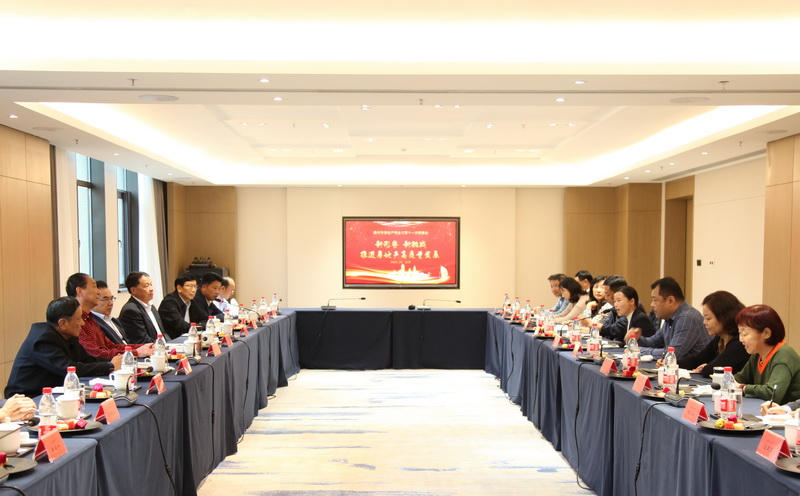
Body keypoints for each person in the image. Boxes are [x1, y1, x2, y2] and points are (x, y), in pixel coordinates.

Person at [5, 297, 121, 398]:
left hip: (53, 392)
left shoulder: (68, 334)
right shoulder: (43, 340)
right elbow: (69, 369)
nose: (82, 323)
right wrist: (109, 366)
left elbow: (87, 359)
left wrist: (112, 361)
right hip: (28, 397)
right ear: (63, 323)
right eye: (78, 319)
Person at [68, 273, 153, 359]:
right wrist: (136, 352)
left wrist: (143, 347)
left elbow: (111, 346)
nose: (98, 292)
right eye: (94, 287)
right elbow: (94, 353)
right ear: (80, 291)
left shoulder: (89, 318)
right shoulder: (76, 321)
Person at [627, 277, 709, 360]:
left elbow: (671, 354)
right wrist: (637, 339)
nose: (652, 305)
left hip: (695, 367)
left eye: (655, 300)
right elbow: (654, 342)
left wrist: (639, 351)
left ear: (670, 301)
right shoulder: (670, 318)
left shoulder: (687, 318)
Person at [733, 305, 800, 405]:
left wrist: (742, 387)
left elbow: (772, 393)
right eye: (740, 333)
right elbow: (740, 378)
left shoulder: (783, 356)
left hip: (788, 412)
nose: (740, 339)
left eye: (745, 334)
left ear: (766, 333)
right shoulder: (758, 354)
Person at [677, 291, 749, 377]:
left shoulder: (739, 343)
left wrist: (706, 367)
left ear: (724, 317)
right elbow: (697, 360)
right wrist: (672, 364)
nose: (704, 322)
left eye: (708, 318)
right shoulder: (719, 339)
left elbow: (711, 370)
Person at [119, 271, 168, 344]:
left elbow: (163, 332)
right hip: (152, 349)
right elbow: (142, 341)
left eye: (151, 285)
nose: (151, 289)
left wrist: (171, 345)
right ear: (133, 290)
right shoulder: (131, 311)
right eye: (146, 286)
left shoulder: (151, 307)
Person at [159, 273, 197, 339]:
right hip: (172, 340)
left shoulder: (191, 301)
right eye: (190, 286)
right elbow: (182, 326)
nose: (193, 290)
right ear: (179, 288)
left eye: (195, 286)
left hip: (187, 338)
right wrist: (200, 326)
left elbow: (205, 318)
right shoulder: (169, 302)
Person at [92, 280, 129, 345]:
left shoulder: (114, 320)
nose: (111, 303)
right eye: (106, 299)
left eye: (111, 298)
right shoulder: (93, 323)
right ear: (93, 300)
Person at [597, 275, 629, 340]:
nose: (606, 298)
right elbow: (606, 324)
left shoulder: (629, 306)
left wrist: (594, 326)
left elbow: (617, 329)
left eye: (608, 294)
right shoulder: (614, 308)